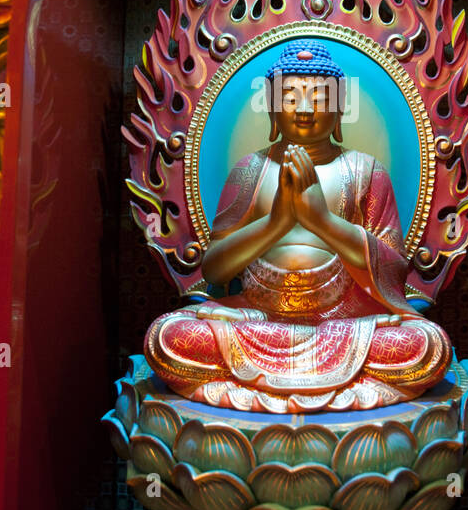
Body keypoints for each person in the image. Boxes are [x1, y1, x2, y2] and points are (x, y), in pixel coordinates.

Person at [143, 39, 451, 412]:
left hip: (344, 324)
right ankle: (334, 392)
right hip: (259, 319)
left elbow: (393, 270)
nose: (305, 109)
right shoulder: (250, 171)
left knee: (427, 347)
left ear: (339, 111)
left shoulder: (366, 172)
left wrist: (323, 221)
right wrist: (277, 222)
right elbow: (215, 268)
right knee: (167, 337)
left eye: (320, 98)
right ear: (273, 110)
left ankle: (259, 391)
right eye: (290, 97)